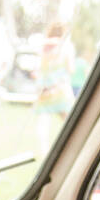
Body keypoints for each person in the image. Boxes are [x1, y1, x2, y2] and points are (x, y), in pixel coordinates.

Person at [34, 23, 75, 154]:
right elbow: (70, 69)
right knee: (70, 121)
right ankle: (73, 147)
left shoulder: (44, 48)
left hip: (45, 89)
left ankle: (44, 151)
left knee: (43, 123)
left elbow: (38, 68)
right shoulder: (66, 47)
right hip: (60, 89)